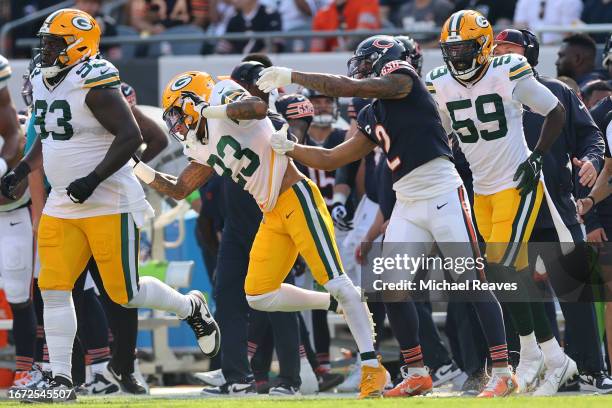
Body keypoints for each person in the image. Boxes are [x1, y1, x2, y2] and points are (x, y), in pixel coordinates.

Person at [257, 33, 513, 398]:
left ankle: (503, 371)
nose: (359, 71)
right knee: (390, 288)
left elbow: (345, 85)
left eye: (364, 63)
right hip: (406, 198)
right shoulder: (371, 111)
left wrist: (294, 76)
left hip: (441, 188)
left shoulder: (403, 78)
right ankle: (416, 372)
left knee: (471, 280)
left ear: (382, 60)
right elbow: (334, 158)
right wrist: (292, 149)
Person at [0, 9, 220, 402]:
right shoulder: (43, 77)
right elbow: (47, 137)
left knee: (125, 293)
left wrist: (94, 178)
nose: (45, 49)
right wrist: (22, 170)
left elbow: (131, 135)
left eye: (54, 42)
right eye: (46, 41)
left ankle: (190, 306)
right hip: (64, 202)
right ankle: (62, 381)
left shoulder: (96, 80)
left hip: (107, 200)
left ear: (78, 45)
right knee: (52, 289)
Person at [132, 70, 387, 398]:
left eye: (179, 114)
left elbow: (255, 107)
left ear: (195, 101)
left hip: (295, 195)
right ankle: (332, 304)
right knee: (259, 295)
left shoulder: (221, 95)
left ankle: (371, 368)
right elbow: (180, 188)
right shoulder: (201, 140)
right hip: (272, 212)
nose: (177, 125)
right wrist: (136, 166)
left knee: (336, 280)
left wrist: (212, 110)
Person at [427, 11, 572, 396]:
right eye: (451, 49)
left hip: (517, 181)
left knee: (500, 269)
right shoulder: (439, 81)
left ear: (483, 46)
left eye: (463, 48)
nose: (456, 57)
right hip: (482, 188)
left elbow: (554, 111)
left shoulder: (507, 68)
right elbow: (440, 130)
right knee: (514, 273)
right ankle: (552, 357)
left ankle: (531, 358)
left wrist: (538, 155)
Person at [495, 28, 612, 394]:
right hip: (505, 204)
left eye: (508, 48)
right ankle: (536, 368)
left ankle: (591, 368)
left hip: (553, 204)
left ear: (527, 53)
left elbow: (591, 135)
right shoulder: (484, 91)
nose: (499, 54)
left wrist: (592, 161)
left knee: (575, 289)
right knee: (518, 291)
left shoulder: (557, 90)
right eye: (496, 48)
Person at [0, 54, 36, 390]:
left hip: (9, 212)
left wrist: (6, 167)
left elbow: (13, 136)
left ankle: (29, 366)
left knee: (17, 290)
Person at [310, 0, 380, 52]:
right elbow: (317, 51)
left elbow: (364, 32)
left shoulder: (367, 2)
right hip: (333, 63)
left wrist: (344, 49)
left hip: (365, 58)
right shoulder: (322, 14)